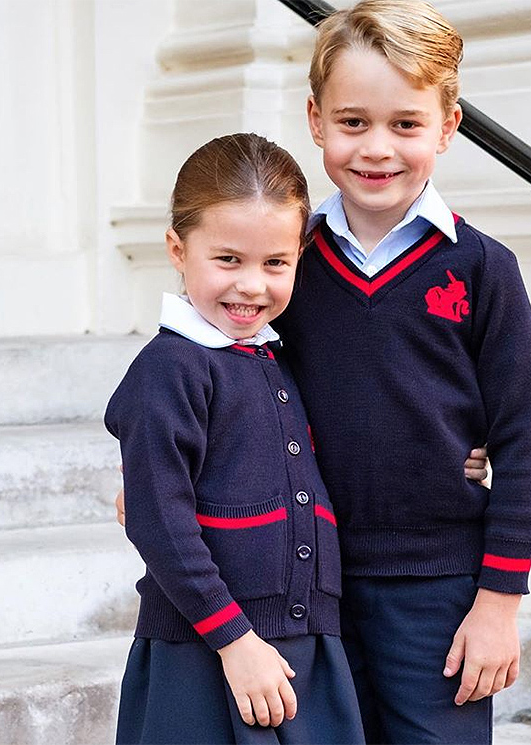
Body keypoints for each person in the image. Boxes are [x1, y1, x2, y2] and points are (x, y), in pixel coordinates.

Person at [273, 1, 531, 743]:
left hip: (437, 586)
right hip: (308, 577)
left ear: (447, 126)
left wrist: (498, 600)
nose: (376, 148)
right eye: (353, 121)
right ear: (315, 119)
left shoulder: (483, 268)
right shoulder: (287, 263)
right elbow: (220, 376)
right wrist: (153, 463)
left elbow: (523, 438)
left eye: (405, 124)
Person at [105, 133, 366, 745]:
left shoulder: (276, 359)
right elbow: (159, 520)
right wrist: (233, 639)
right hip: (203, 651)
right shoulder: (170, 370)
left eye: (275, 264)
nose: (252, 285)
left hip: (303, 644)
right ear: (177, 248)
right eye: (228, 260)